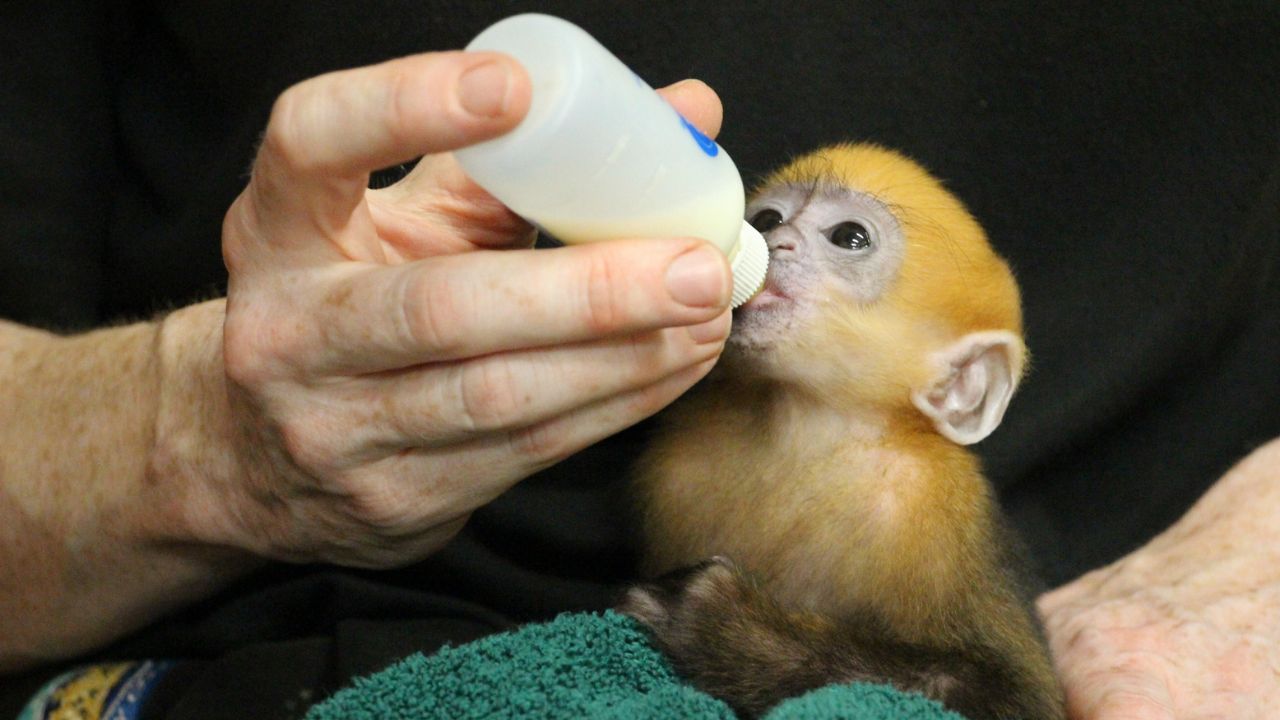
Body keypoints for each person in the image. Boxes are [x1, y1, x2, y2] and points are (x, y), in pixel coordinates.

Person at [2, 3, 1277, 718]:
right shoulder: (692, 446)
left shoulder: (923, 510)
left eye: (846, 242)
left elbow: (986, 689)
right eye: (771, 219)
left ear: (960, 385)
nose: (780, 246)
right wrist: (195, 435)